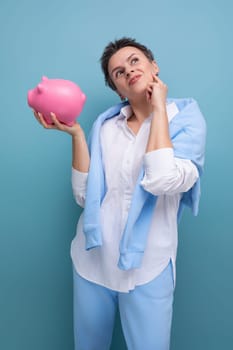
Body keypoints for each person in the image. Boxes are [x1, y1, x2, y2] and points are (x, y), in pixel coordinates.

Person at [34, 37, 206, 350]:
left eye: (135, 61)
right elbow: (85, 197)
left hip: (149, 267)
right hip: (92, 262)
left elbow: (162, 180)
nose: (128, 70)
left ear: (154, 67)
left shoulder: (186, 120)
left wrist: (158, 110)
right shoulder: (106, 127)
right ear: (118, 89)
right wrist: (77, 135)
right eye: (118, 72)